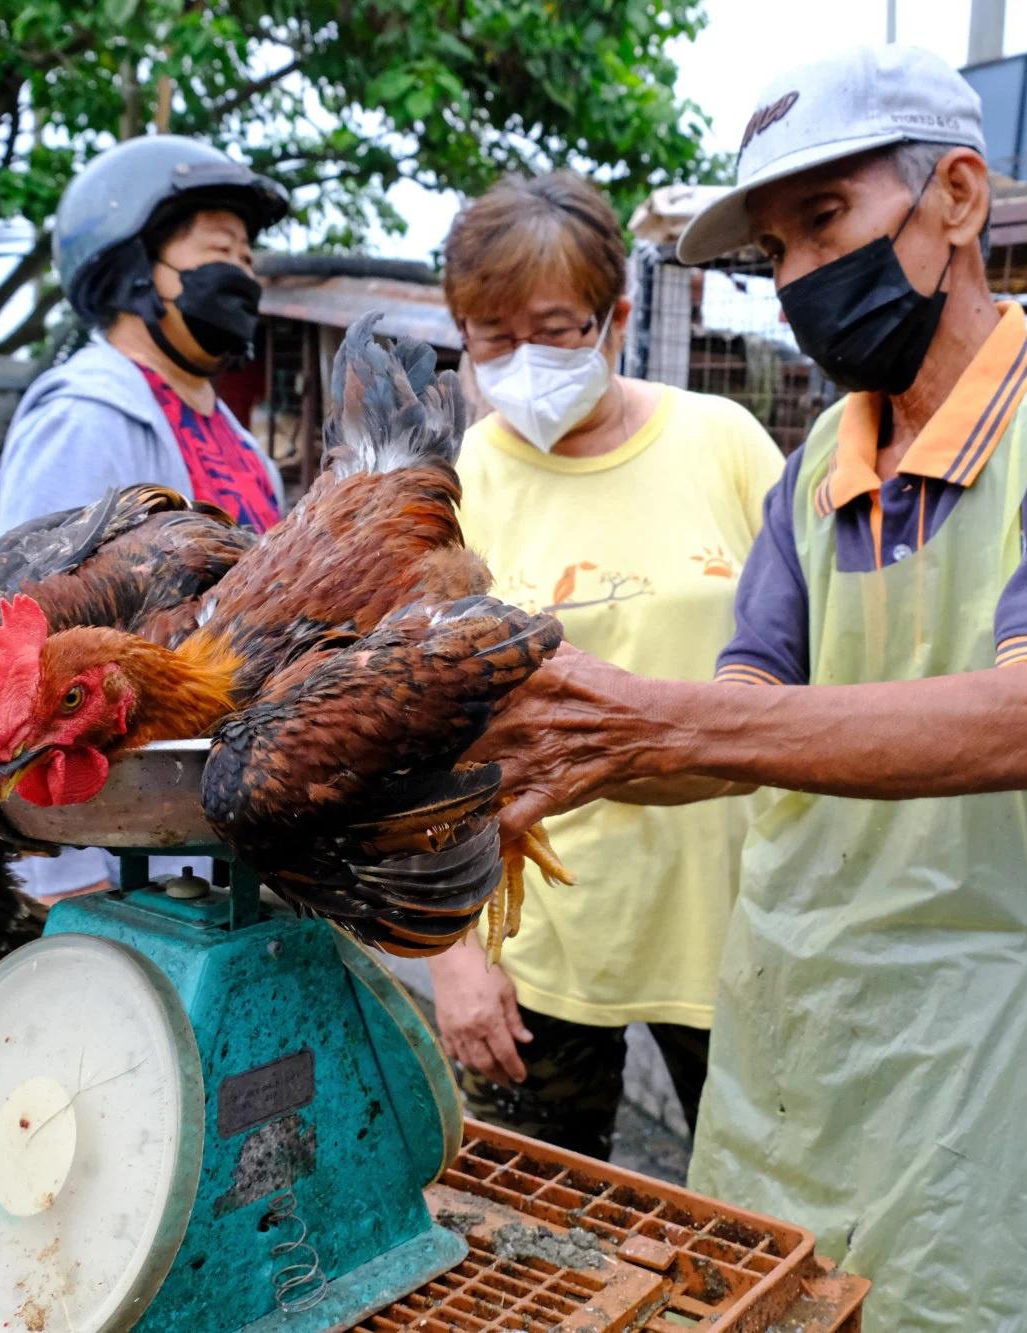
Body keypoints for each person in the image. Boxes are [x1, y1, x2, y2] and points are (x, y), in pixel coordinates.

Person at [471, 45, 1027, 1332]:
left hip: (990, 1068)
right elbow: (741, 721)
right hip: (791, 1037)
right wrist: (554, 762)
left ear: (961, 199)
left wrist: (652, 715)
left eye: (827, 222)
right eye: (776, 253)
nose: (805, 279)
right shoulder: (820, 461)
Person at [430, 172, 785, 1160]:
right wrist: (453, 959)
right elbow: (419, 742)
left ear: (616, 317)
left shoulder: (724, 445)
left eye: (551, 328)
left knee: (758, 1222)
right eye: (490, 337)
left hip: (735, 936)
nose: (521, 360)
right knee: (533, 1225)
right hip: (536, 947)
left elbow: (819, 677)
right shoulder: (458, 486)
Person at [0, 135, 288, 897]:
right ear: (131, 269)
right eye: (223, 249)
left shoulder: (241, 445)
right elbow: (40, 660)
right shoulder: (85, 420)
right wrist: (72, 867)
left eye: (251, 258)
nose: (245, 274)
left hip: (231, 833)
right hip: (122, 861)